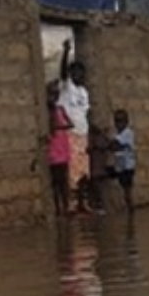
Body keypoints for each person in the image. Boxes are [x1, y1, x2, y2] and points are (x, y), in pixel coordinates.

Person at [58, 40, 91, 215]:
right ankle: (70, 204)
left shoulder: (84, 92)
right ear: (71, 73)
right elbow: (62, 73)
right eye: (75, 72)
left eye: (81, 72)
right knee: (72, 172)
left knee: (85, 171)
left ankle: (83, 203)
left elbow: (85, 114)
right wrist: (66, 51)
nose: (79, 75)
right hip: (70, 135)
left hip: (83, 135)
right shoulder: (67, 88)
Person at [45, 81, 72, 217]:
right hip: (53, 149)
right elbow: (49, 129)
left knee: (63, 180)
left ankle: (65, 207)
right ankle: (58, 208)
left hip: (63, 147)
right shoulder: (46, 112)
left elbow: (70, 123)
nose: (54, 97)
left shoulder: (60, 109)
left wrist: (62, 127)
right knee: (56, 181)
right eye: (51, 94)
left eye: (56, 94)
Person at [109, 109, 136, 213]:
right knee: (124, 189)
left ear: (126, 122)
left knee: (127, 190)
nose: (118, 124)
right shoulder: (118, 134)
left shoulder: (127, 133)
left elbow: (115, 145)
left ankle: (130, 210)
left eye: (121, 121)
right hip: (120, 166)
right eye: (117, 121)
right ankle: (127, 208)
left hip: (127, 167)